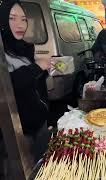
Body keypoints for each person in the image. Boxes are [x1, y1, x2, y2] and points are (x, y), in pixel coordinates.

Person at [0, 0, 51, 158]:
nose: (20, 24)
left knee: (44, 161)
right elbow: (7, 85)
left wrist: (46, 70)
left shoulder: (25, 47)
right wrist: (36, 67)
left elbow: (34, 83)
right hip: (17, 130)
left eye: (23, 19)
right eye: (12, 18)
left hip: (39, 120)